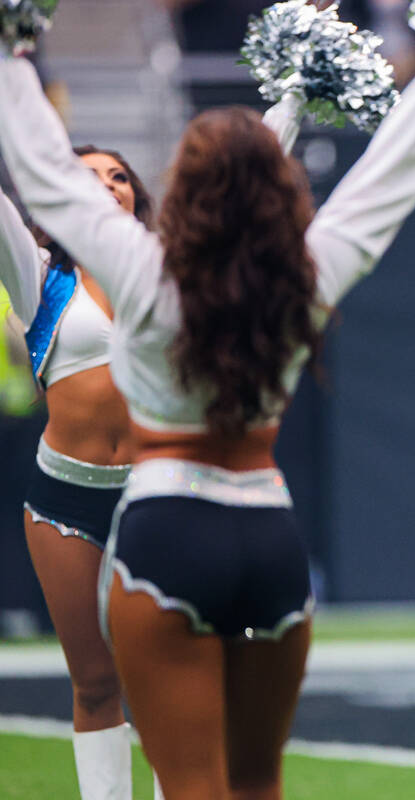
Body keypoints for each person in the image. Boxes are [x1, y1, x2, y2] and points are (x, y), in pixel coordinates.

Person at [0, 31, 415, 799]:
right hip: (267, 531)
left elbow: (49, 179)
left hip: (164, 527)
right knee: (257, 781)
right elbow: (391, 176)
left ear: (176, 194)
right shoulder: (305, 274)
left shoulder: (140, 274)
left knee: (192, 783)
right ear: (279, 192)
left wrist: (10, 54)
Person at [0, 145, 152, 800]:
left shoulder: (167, 274)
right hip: (65, 497)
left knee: (167, 676)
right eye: (88, 177)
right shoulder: (38, 276)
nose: (108, 186)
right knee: (95, 682)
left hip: (158, 497)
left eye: (120, 177)